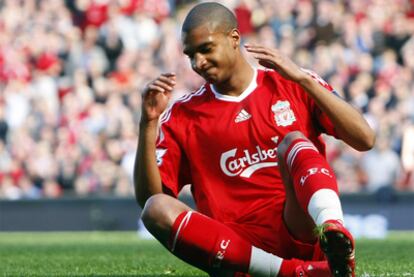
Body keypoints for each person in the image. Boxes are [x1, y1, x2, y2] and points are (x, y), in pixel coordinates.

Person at [134, 2, 375, 277]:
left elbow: (365, 139)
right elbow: (150, 200)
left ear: (234, 38)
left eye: (206, 49)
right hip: (238, 252)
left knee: (293, 141)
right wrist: (148, 123)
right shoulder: (182, 115)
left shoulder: (290, 82)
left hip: (299, 230)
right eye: (190, 54)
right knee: (156, 210)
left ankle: (335, 235)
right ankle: (291, 272)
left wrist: (304, 81)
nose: (197, 63)